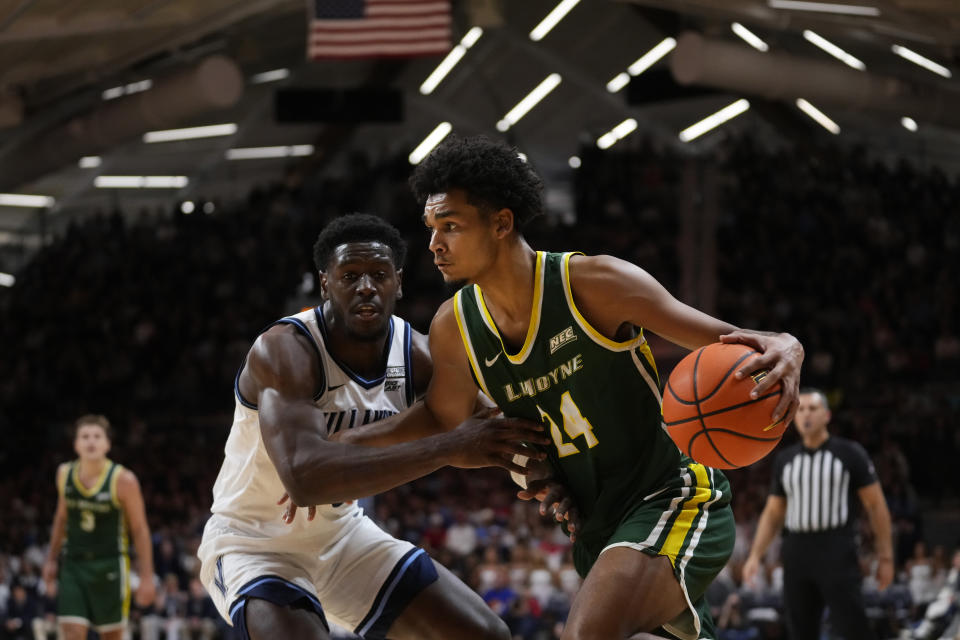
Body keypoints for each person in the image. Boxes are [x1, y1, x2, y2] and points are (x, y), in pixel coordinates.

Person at [402, 135, 805, 640]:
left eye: (451, 226)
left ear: (501, 223)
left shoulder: (594, 284)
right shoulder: (454, 326)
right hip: (597, 528)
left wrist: (789, 344)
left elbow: (738, 341)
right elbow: (446, 429)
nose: (434, 244)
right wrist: (340, 451)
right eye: (432, 229)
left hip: (671, 496)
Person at [196, 214, 550, 640]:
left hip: (344, 537)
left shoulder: (417, 353)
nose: (366, 286)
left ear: (397, 283)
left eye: (379, 275)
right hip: (254, 544)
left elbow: (494, 430)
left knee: (485, 634)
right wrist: (447, 448)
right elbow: (307, 479)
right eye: (350, 276)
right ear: (325, 283)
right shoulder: (285, 351)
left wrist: (549, 483)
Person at [743, 388, 894, 640]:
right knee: (800, 630)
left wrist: (886, 557)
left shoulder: (850, 453)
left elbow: (876, 506)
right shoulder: (785, 459)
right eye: (800, 409)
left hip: (837, 548)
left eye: (812, 409)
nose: (806, 415)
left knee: (853, 627)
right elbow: (772, 513)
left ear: (827, 415)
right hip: (796, 552)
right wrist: (755, 556)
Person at [41, 414, 156, 640]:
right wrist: (51, 560)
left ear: (107, 444)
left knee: (111, 635)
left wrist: (147, 577)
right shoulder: (64, 474)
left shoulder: (124, 480)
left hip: (110, 565)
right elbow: (61, 519)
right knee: (71, 631)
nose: (90, 441)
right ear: (75, 444)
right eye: (84, 436)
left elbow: (140, 530)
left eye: (96, 436)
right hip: (74, 564)